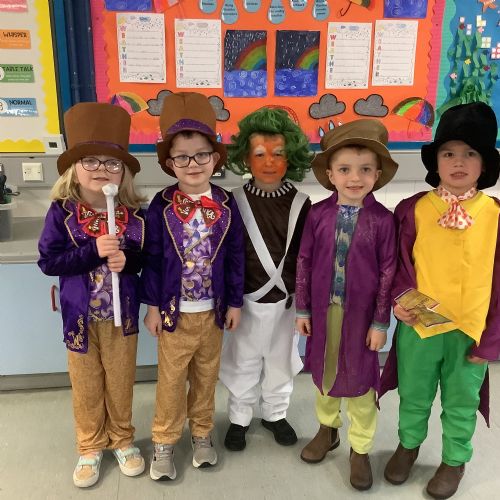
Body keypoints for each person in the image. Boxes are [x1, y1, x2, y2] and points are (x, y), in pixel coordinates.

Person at [380, 102, 500, 500]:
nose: (458, 162)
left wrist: (491, 340)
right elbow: (398, 264)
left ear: (485, 163)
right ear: (436, 161)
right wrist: (400, 301)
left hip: (470, 331)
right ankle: (409, 444)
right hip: (421, 327)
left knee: (461, 399)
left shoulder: (495, 215)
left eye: (470, 153)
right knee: (414, 393)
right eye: (448, 153)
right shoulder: (413, 209)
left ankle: (454, 459)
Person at [38, 102, 146, 488]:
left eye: (112, 162)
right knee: (85, 383)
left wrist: (127, 261)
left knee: (120, 380)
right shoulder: (61, 213)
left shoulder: (135, 215)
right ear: (74, 168)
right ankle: (90, 444)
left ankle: (122, 438)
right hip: (80, 317)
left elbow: (145, 260)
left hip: (122, 317)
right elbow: (49, 262)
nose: (102, 168)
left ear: (123, 172)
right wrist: (93, 251)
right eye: (91, 160)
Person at [141, 92, 245, 481]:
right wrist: (152, 306)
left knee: (206, 377)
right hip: (174, 314)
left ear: (215, 158)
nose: (193, 164)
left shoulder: (227, 203)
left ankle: (202, 433)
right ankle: (164, 441)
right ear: (170, 163)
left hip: (212, 314)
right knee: (170, 382)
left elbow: (235, 256)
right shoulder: (161, 205)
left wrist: (235, 302)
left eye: (202, 155)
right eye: (182, 157)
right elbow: (152, 259)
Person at [295, 119, 398, 490]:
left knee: (360, 382)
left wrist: (380, 322)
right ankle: (327, 430)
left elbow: (388, 272)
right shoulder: (318, 214)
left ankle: (361, 448)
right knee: (324, 374)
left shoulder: (383, 221)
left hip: (362, 318)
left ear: (377, 175)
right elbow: (304, 261)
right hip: (324, 314)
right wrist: (303, 309)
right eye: (345, 169)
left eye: (365, 169)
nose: (355, 178)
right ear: (330, 174)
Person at [219, 107, 312, 451]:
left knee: (280, 361)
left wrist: (304, 305)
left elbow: (306, 258)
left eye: (278, 154)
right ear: (246, 157)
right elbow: (227, 256)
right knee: (242, 360)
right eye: (259, 154)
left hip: (286, 303)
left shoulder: (302, 204)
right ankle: (239, 417)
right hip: (244, 302)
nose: (269, 162)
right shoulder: (233, 202)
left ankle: (275, 413)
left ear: (291, 158)